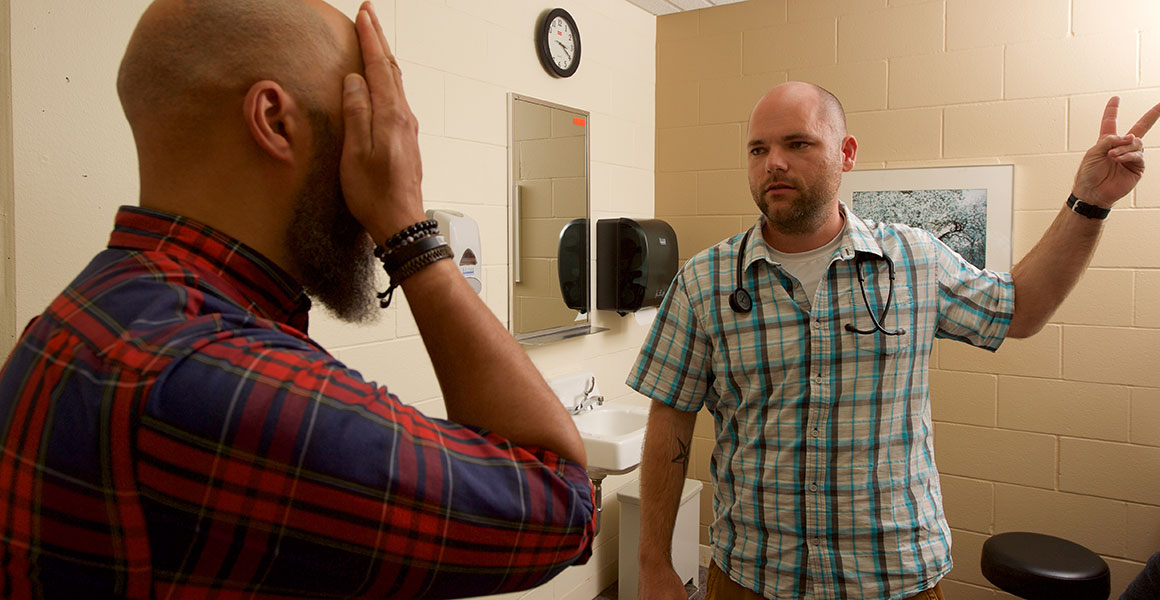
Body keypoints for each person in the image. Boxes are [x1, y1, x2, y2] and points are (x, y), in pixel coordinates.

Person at [0, 1, 595, 597]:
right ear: (276, 122)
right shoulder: (214, 377)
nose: (392, 154)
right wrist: (408, 229)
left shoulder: (72, 321)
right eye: (364, 125)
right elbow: (559, 501)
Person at [629, 81, 1160, 600]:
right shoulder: (705, 282)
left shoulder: (914, 259)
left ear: (847, 153)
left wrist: (1088, 203)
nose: (774, 162)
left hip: (891, 577)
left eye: (797, 143)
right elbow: (670, 417)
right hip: (752, 576)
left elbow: (1019, 310)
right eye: (758, 149)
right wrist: (654, 561)